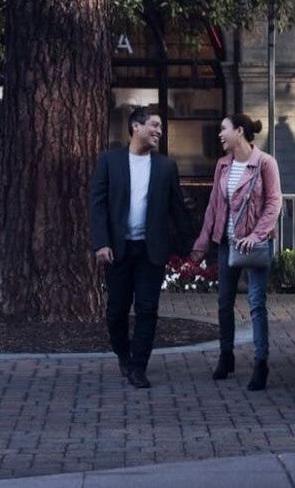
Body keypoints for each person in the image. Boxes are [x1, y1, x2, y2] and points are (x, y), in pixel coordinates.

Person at [89, 106, 193, 389]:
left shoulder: (166, 166)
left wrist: (192, 246)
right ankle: (123, 354)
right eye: (154, 125)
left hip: (151, 251)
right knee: (116, 311)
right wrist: (101, 243)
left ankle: (138, 366)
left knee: (147, 310)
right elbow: (97, 205)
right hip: (118, 251)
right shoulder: (109, 161)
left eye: (160, 127)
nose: (159, 131)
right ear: (136, 126)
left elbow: (177, 209)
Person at [191, 114, 282, 391]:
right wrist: (201, 244)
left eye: (224, 129)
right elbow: (213, 207)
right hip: (227, 243)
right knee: (224, 303)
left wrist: (255, 236)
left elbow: (274, 203)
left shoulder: (265, 163)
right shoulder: (222, 165)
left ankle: (260, 363)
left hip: (255, 245)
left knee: (256, 303)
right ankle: (226, 355)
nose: (219, 134)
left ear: (239, 131)